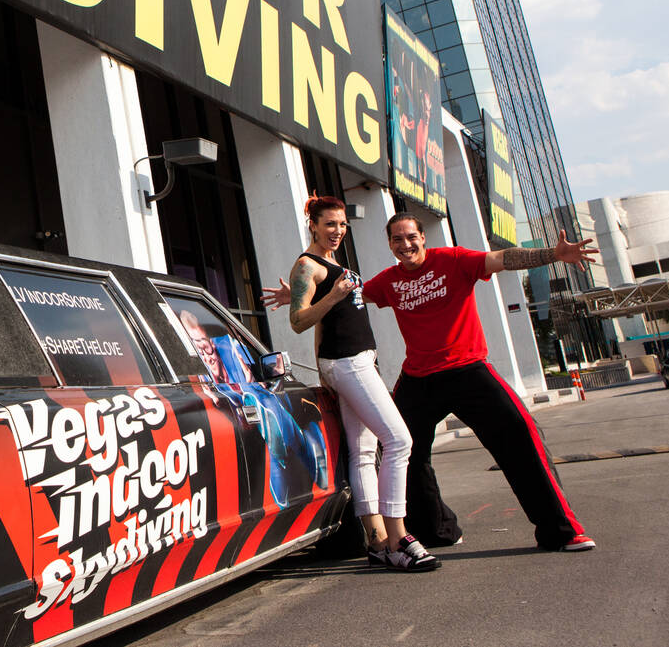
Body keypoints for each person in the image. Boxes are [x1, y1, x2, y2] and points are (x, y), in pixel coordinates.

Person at [364, 214, 598, 552]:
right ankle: (436, 530)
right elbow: (351, 295)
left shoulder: (454, 260)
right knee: (401, 451)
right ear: (389, 244)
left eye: (411, 237)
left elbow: (502, 259)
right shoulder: (387, 282)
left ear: (423, 237)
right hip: (418, 379)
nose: (405, 245)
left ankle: (561, 531)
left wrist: (553, 254)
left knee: (520, 434)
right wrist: (303, 294)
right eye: (397, 240)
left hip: (468, 370)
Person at [263, 195, 439, 572]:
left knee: (362, 454)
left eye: (342, 225)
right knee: (399, 440)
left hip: (355, 362)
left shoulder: (331, 263)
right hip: (346, 363)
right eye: (329, 224)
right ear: (312, 224)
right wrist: (333, 297)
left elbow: (321, 314)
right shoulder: (307, 265)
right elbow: (299, 321)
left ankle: (376, 541)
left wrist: (327, 303)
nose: (337, 231)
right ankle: (400, 537)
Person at [176, 309, 329, 509]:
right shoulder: (198, 379)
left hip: (255, 410)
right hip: (240, 425)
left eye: (206, 348)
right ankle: (296, 447)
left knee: (264, 399)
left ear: (212, 344)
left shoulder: (231, 352)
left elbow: (259, 377)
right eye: (199, 352)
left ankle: (294, 446)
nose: (207, 356)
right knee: (259, 407)